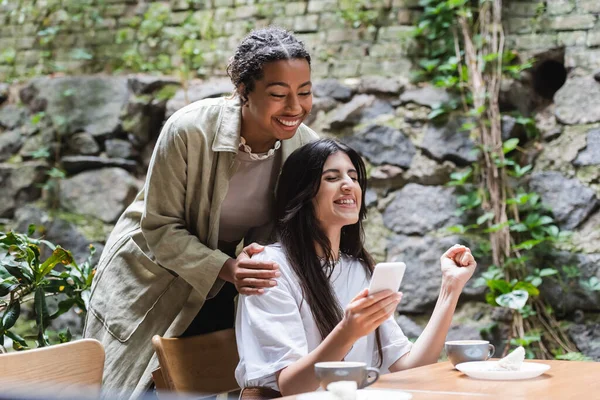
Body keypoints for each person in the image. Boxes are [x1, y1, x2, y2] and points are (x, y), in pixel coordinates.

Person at [83, 26, 318, 399]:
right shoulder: (189, 130)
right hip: (149, 275)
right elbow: (160, 228)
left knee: (207, 383)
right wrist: (229, 269)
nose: (295, 108)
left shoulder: (305, 147)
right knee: (134, 386)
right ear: (243, 91)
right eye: (278, 94)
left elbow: (299, 233)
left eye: (304, 92)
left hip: (226, 279)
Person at [235, 139, 478, 397]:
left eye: (353, 176)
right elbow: (291, 386)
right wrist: (348, 331)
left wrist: (451, 288)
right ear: (302, 194)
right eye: (332, 177)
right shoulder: (268, 268)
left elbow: (410, 367)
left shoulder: (359, 269)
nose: (349, 185)